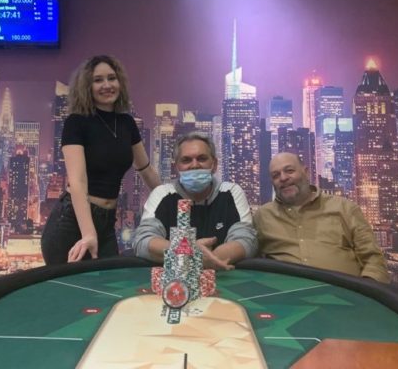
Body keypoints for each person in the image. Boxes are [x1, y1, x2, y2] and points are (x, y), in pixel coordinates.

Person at [41, 55, 160, 264]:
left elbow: (146, 169)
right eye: (98, 80)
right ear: (87, 86)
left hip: (107, 222)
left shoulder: (126, 123)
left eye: (112, 78)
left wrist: (170, 200)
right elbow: (78, 181)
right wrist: (88, 233)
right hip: (72, 221)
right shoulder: (76, 122)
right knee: (67, 285)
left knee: (108, 281)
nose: (107, 85)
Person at [253, 152, 390, 283]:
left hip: (344, 292)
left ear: (306, 172)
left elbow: (374, 260)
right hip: (288, 294)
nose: (283, 178)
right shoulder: (262, 216)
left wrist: (366, 290)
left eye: (289, 171)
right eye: (276, 175)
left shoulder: (345, 208)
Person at [133, 132, 257, 270]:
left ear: (214, 164)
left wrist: (205, 259)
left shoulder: (231, 192)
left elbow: (246, 240)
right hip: (174, 279)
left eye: (202, 158)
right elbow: (142, 241)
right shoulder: (162, 193)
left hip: (222, 276)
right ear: (176, 167)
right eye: (186, 160)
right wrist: (189, 252)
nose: (194, 165)